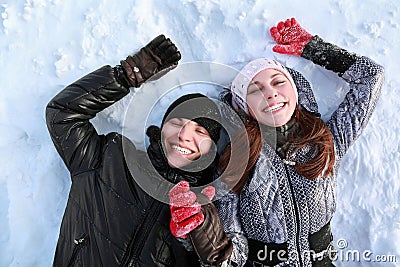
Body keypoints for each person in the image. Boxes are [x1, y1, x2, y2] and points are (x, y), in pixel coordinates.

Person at [168, 18, 384, 267]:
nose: (270, 93)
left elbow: (370, 77)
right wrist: (200, 232)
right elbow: (232, 258)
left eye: (278, 82)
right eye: (254, 90)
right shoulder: (236, 161)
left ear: (295, 90)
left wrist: (313, 47)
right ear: (243, 107)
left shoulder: (326, 141)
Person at [46, 34, 224, 266]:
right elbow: (62, 115)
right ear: (160, 130)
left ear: (212, 148)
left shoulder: (207, 209)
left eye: (200, 131)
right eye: (177, 122)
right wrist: (128, 74)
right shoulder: (110, 158)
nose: (183, 134)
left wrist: (205, 238)